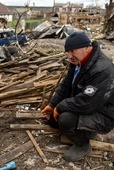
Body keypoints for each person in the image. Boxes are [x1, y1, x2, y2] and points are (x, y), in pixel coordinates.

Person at [41, 31, 114, 162]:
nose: (69, 56)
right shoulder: (77, 62)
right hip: (88, 105)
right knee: (52, 118)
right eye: (67, 52)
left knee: (65, 119)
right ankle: (80, 128)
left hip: (103, 114)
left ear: (87, 47)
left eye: (73, 51)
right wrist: (52, 105)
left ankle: (83, 145)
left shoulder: (103, 69)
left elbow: (87, 103)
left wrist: (60, 107)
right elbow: (65, 85)